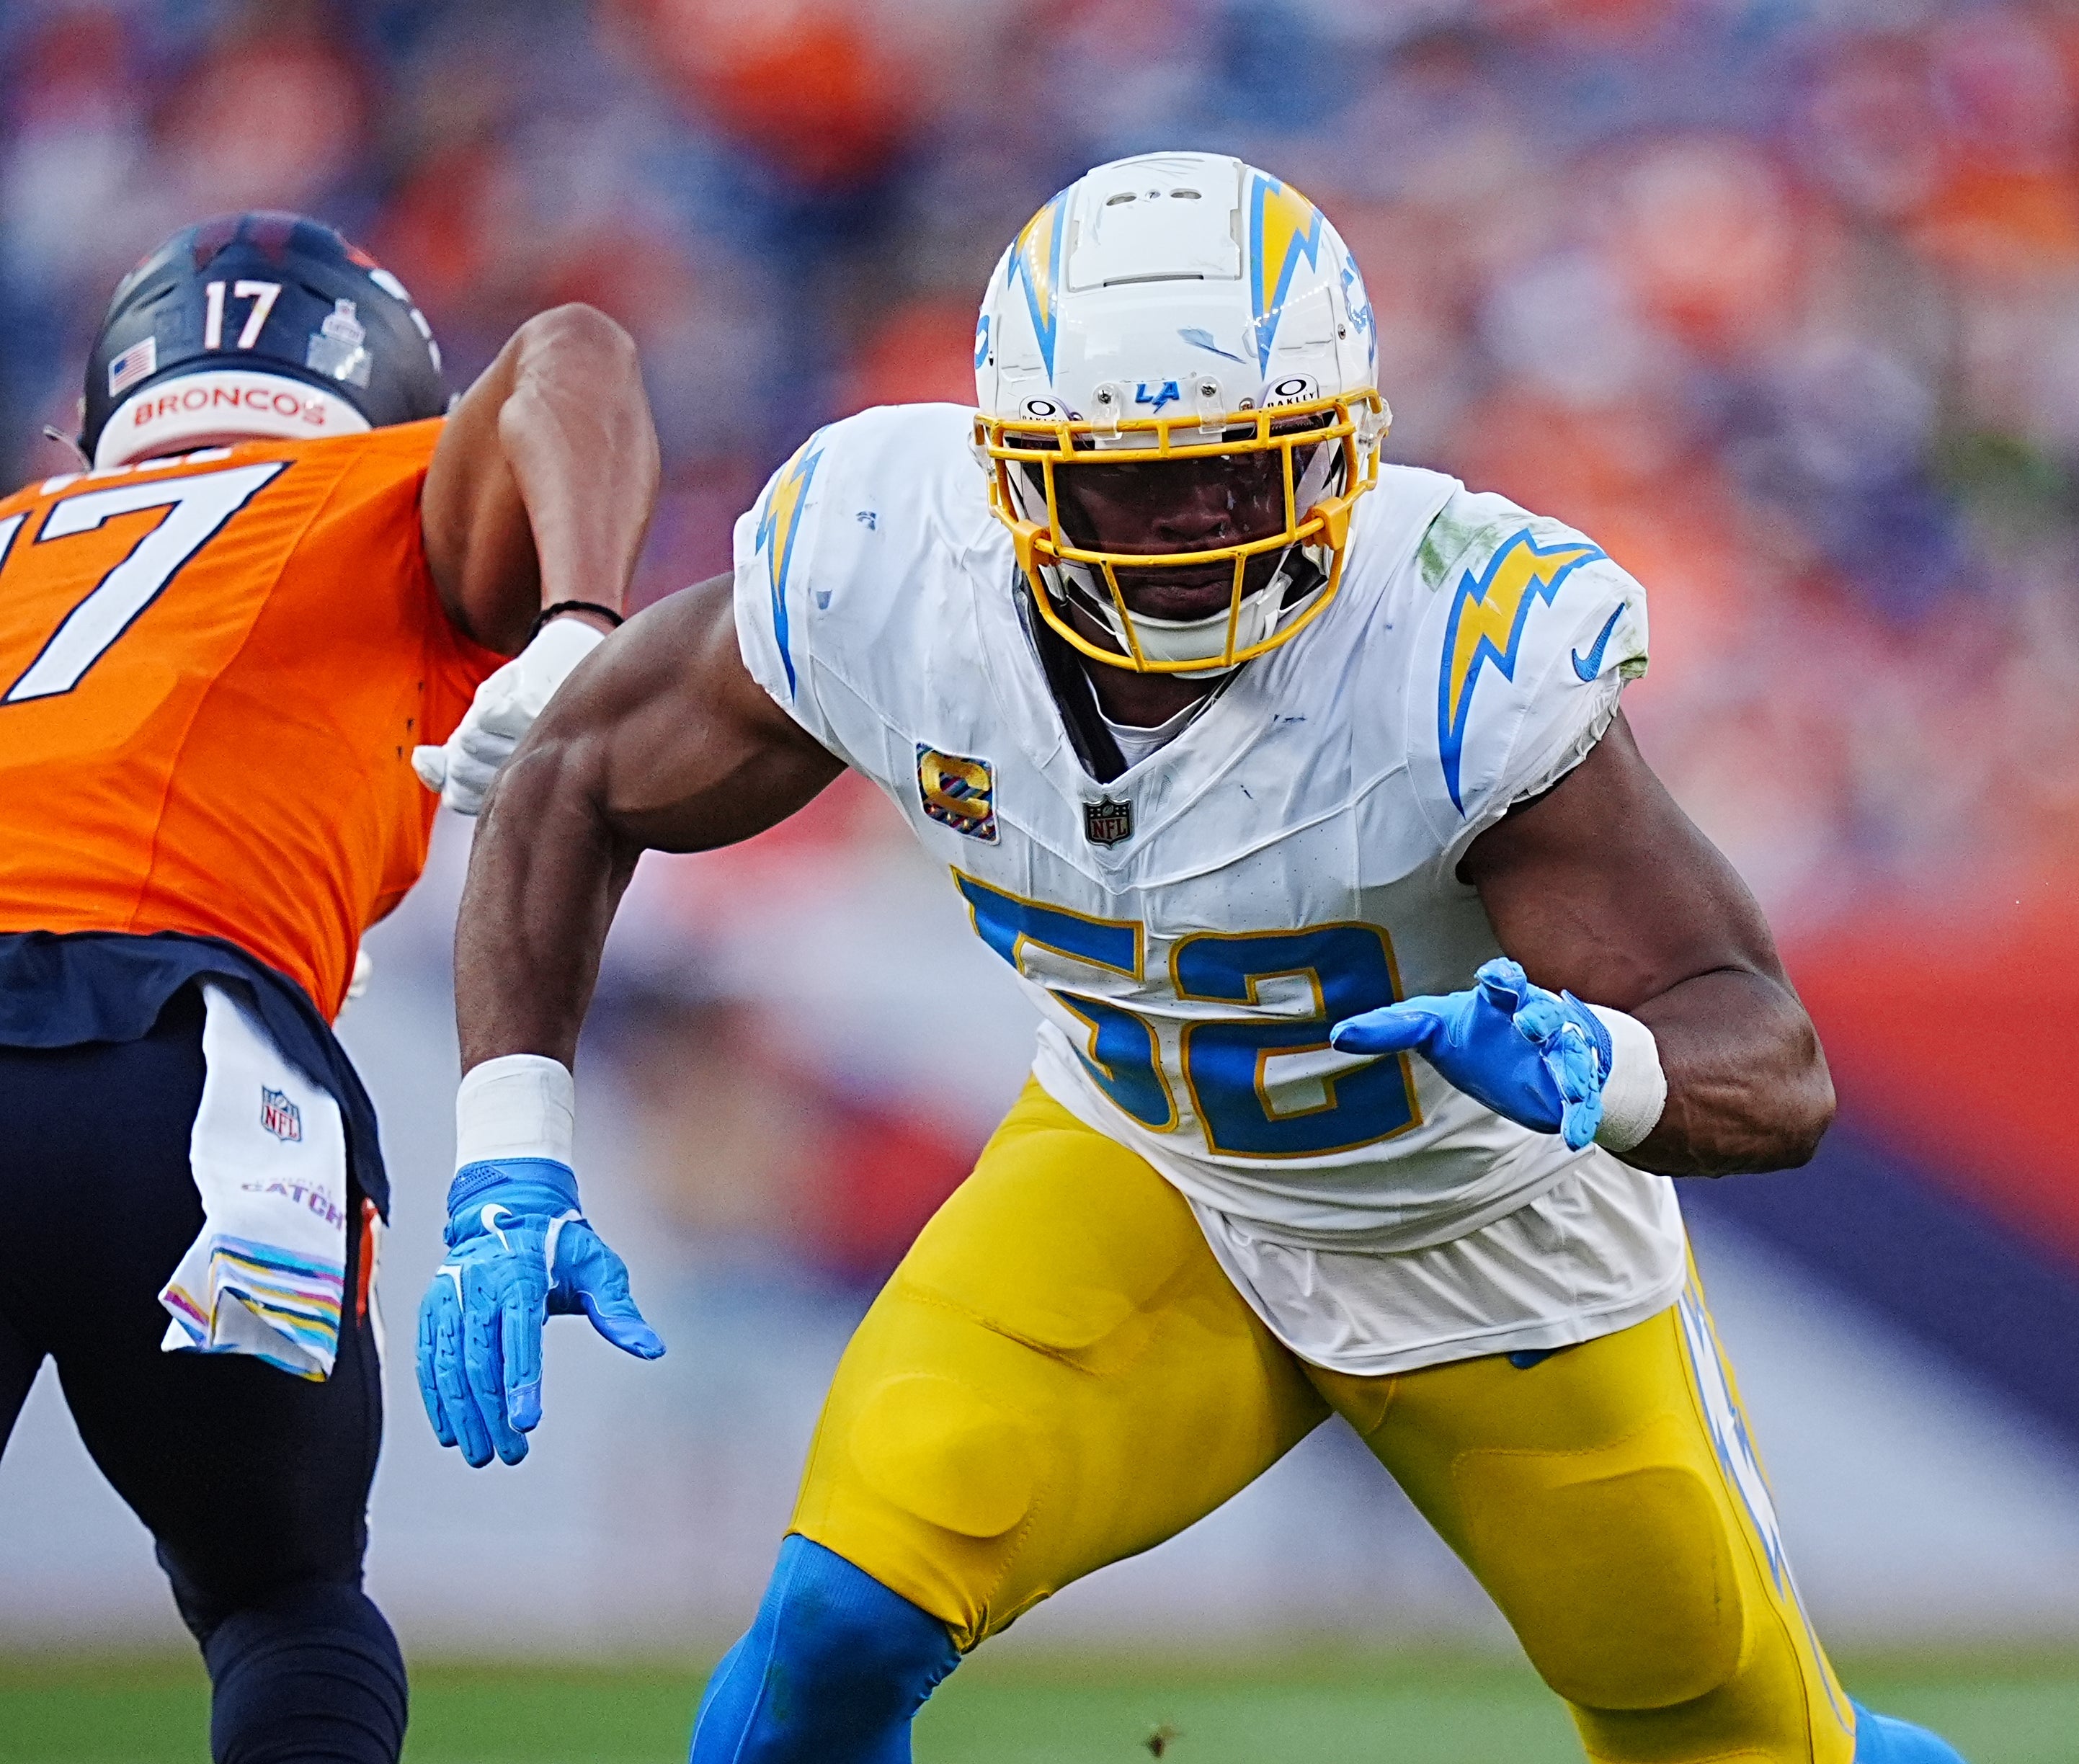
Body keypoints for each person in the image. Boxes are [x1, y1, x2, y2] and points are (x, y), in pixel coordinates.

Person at [424, 153, 1964, 1764]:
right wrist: (509, 1166)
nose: (1198, 527)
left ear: (1345, 451)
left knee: (1748, 1753)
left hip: (1484, 1239)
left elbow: (1768, 1054)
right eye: (1133, 482)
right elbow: (575, 776)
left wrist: (1608, 1066)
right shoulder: (886, 559)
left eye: (1251, 470)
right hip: (1145, 1172)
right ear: (1018, 477)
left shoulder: (1452, 639)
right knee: (830, 1630)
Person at [0, 211, 659, 1764]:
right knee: (284, 1600)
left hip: (170, 1036)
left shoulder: (28, 526)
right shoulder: (377, 493)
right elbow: (575, 356)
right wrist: (574, 626)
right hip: (197, 1075)